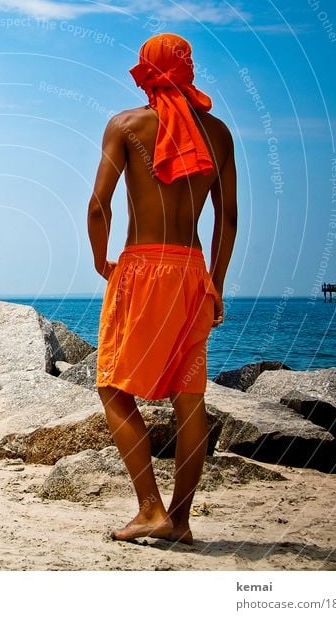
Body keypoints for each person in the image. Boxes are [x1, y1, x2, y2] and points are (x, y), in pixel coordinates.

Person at [87, 33, 237, 544]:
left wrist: (99, 260)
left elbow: (98, 207)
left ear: (145, 70)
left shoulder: (126, 126)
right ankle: (182, 519)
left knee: (111, 384)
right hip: (193, 271)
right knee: (188, 396)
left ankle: (150, 507)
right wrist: (215, 283)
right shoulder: (217, 133)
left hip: (143, 268)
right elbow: (228, 219)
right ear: (188, 71)